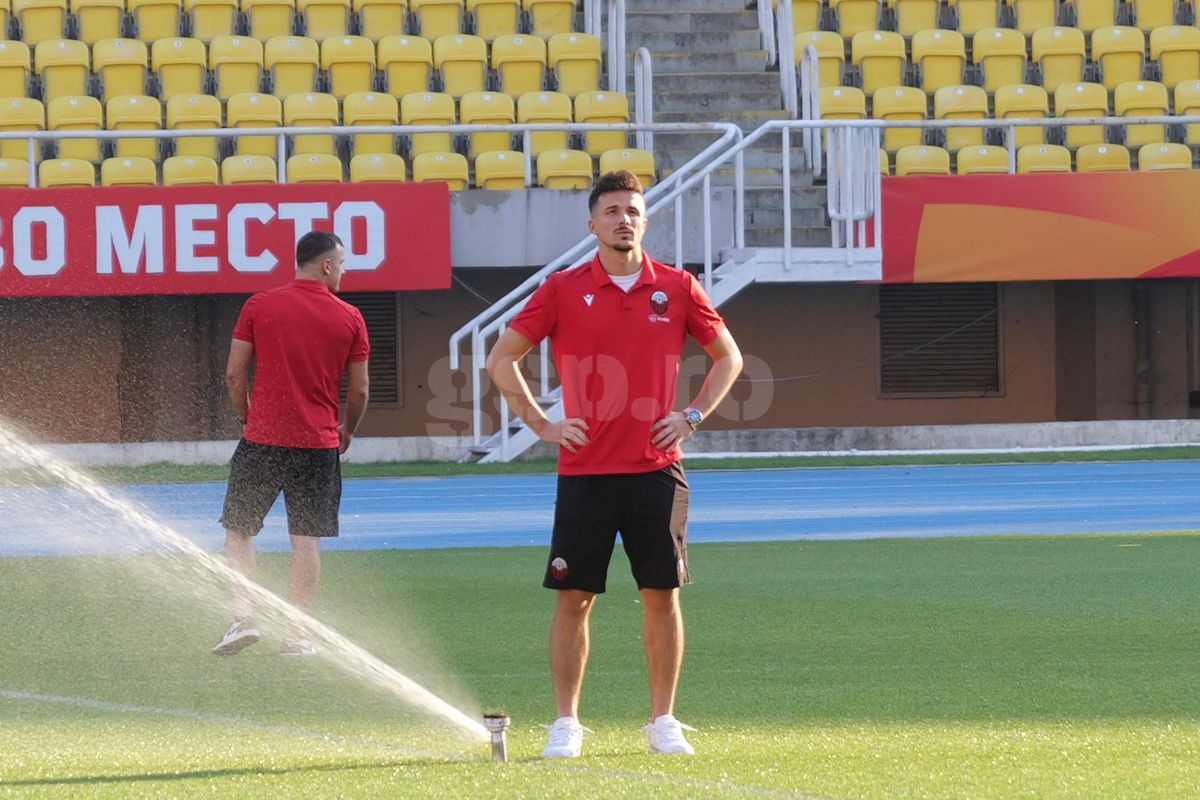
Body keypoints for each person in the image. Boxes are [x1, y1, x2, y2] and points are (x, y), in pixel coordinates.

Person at [486, 170, 743, 757]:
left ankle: (663, 721)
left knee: (662, 595)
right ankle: (566, 724)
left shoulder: (678, 287)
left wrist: (692, 416)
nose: (623, 219)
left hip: (657, 469)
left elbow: (728, 358)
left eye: (632, 210)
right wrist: (543, 426)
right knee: (574, 598)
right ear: (593, 224)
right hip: (585, 473)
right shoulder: (562, 289)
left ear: (645, 221)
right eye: (611, 211)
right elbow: (502, 359)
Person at [212, 230, 370, 657]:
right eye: (342, 264)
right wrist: (348, 429)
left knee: (239, 532)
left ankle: (243, 618)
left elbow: (233, 374)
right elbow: (359, 391)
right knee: (306, 542)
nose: (343, 272)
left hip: (261, 441)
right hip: (318, 445)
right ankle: (295, 635)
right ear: (327, 265)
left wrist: (247, 417)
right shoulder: (350, 317)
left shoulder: (258, 305)